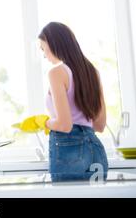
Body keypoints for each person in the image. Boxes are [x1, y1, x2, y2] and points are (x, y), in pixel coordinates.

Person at [16, 22, 108, 182]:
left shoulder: (56, 72)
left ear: (53, 44)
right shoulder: (93, 73)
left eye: (43, 48)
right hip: (96, 150)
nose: (44, 54)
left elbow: (65, 125)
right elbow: (99, 126)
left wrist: (45, 122)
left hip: (69, 150)